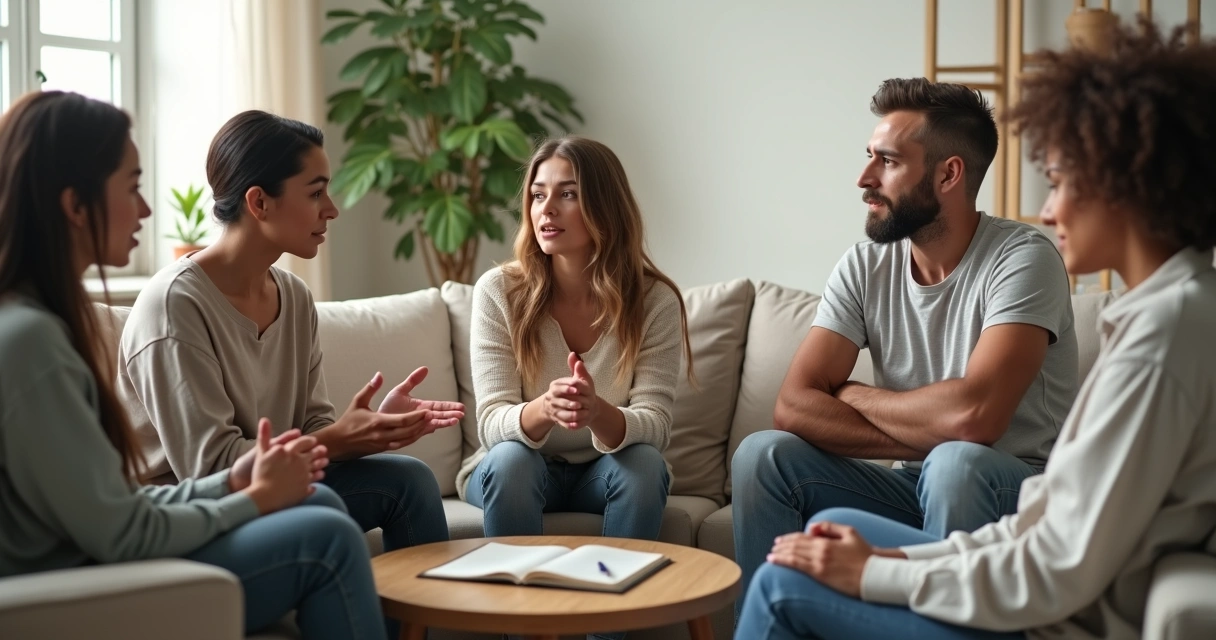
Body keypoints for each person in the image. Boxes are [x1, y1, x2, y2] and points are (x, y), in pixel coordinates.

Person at [735, 18, 1216, 640]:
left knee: (803, 570)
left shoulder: (1160, 338)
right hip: (1011, 557)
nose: (1048, 207)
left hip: (1049, 609)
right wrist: (885, 561)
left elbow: (1050, 559)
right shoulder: (1167, 314)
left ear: (1126, 184)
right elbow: (1042, 532)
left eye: (1062, 180)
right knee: (778, 493)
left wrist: (879, 571)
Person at [0, 91, 387, 639]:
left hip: (97, 556)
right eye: (132, 187)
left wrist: (236, 478)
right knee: (326, 539)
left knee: (330, 506)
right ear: (74, 204)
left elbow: (112, 506)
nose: (146, 210)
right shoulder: (32, 340)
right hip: (75, 586)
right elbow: (121, 531)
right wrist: (249, 497)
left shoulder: (35, 324)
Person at [730, 76, 1079, 608]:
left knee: (957, 464)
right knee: (763, 456)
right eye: (869, 156)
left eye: (887, 162)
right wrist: (928, 433)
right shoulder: (864, 265)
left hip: (1015, 492)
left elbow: (975, 419)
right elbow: (794, 405)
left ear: (948, 174)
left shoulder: (1023, 258)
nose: (863, 178)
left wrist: (853, 395)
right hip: (916, 483)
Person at [117, 110, 463, 555]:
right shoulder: (174, 305)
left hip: (272, 487)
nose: (332, 209)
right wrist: (337, 438)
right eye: (316, 192)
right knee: (316, 501)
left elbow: (313, 428)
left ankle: (420, 624)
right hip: (190, 516)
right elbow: (208, 473)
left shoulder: (294, 297)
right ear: (259, 202)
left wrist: (370, 428)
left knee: (409, 480)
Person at [458, 136, 694, 541]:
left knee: (645, 465)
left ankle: (619, 596)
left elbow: (656, 427)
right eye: (536, 195)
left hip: (602, 472)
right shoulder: (498, 291)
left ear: (606, 206)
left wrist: (595, 411)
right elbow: (492, 427)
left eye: (567, 193)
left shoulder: (654, 300)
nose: (545, 209)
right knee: (512, 461)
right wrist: (547, 408)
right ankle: (515, 602)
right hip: (517, 468)